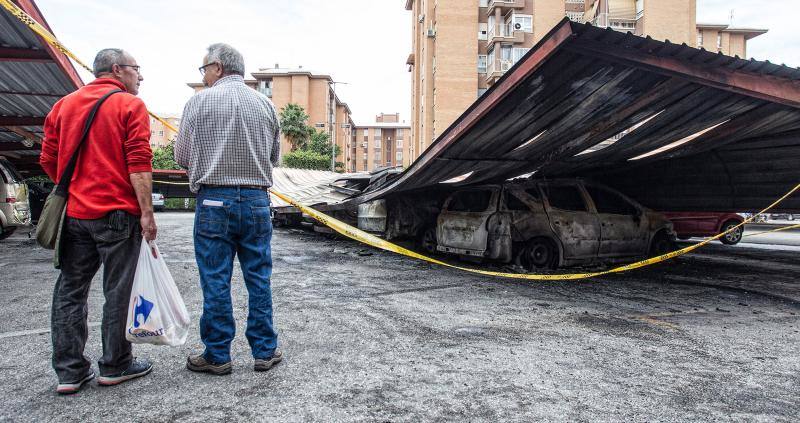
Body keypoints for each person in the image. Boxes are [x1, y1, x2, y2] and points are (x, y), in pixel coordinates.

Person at [40, 48, 156, 395]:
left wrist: (77, 186)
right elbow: (138, 162)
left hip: (75, 215)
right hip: (118, 214)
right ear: (118, 69)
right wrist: (147, 213)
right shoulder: (129, 106)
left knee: (70, 291)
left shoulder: (64, 105)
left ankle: (69, 372)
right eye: (137, 69)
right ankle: (116, 364)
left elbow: (48, 158)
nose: (140, 76)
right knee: (118, 292)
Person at [175, 43, 282, 375]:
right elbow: (274, 158)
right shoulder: (266, 105)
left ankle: (218, 354)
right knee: (258, 277)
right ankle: (265, 351)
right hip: (256, 201)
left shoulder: (198, 102)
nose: (203, 74)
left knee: (216, 278)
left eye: (204, 68)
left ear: (218, 67)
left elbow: (181, 156)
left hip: (213, 201)